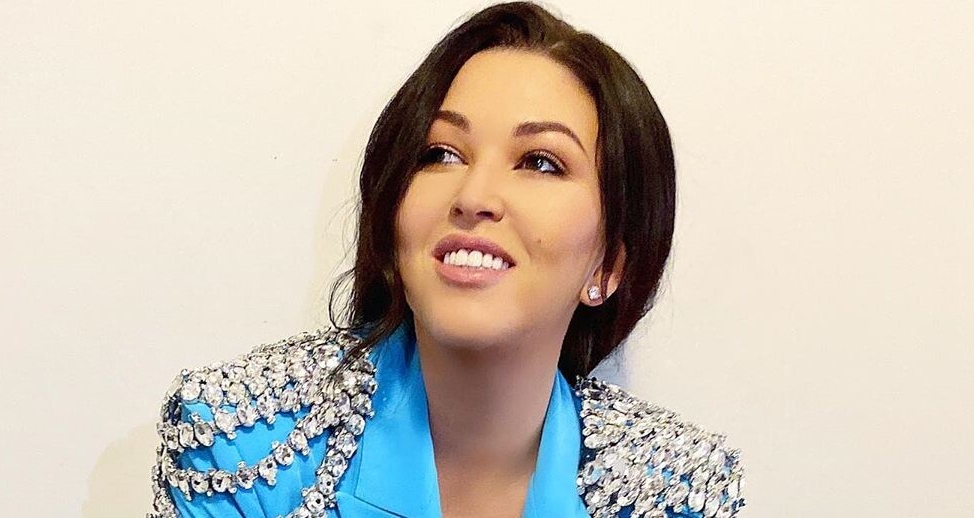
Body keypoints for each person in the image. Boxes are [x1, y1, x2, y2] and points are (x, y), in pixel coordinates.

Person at [147, 2, 747, 517]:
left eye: (540, 162)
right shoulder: (242, 441)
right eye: (441, 153)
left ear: (609, 266)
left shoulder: (674, 492)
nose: (473, 196)